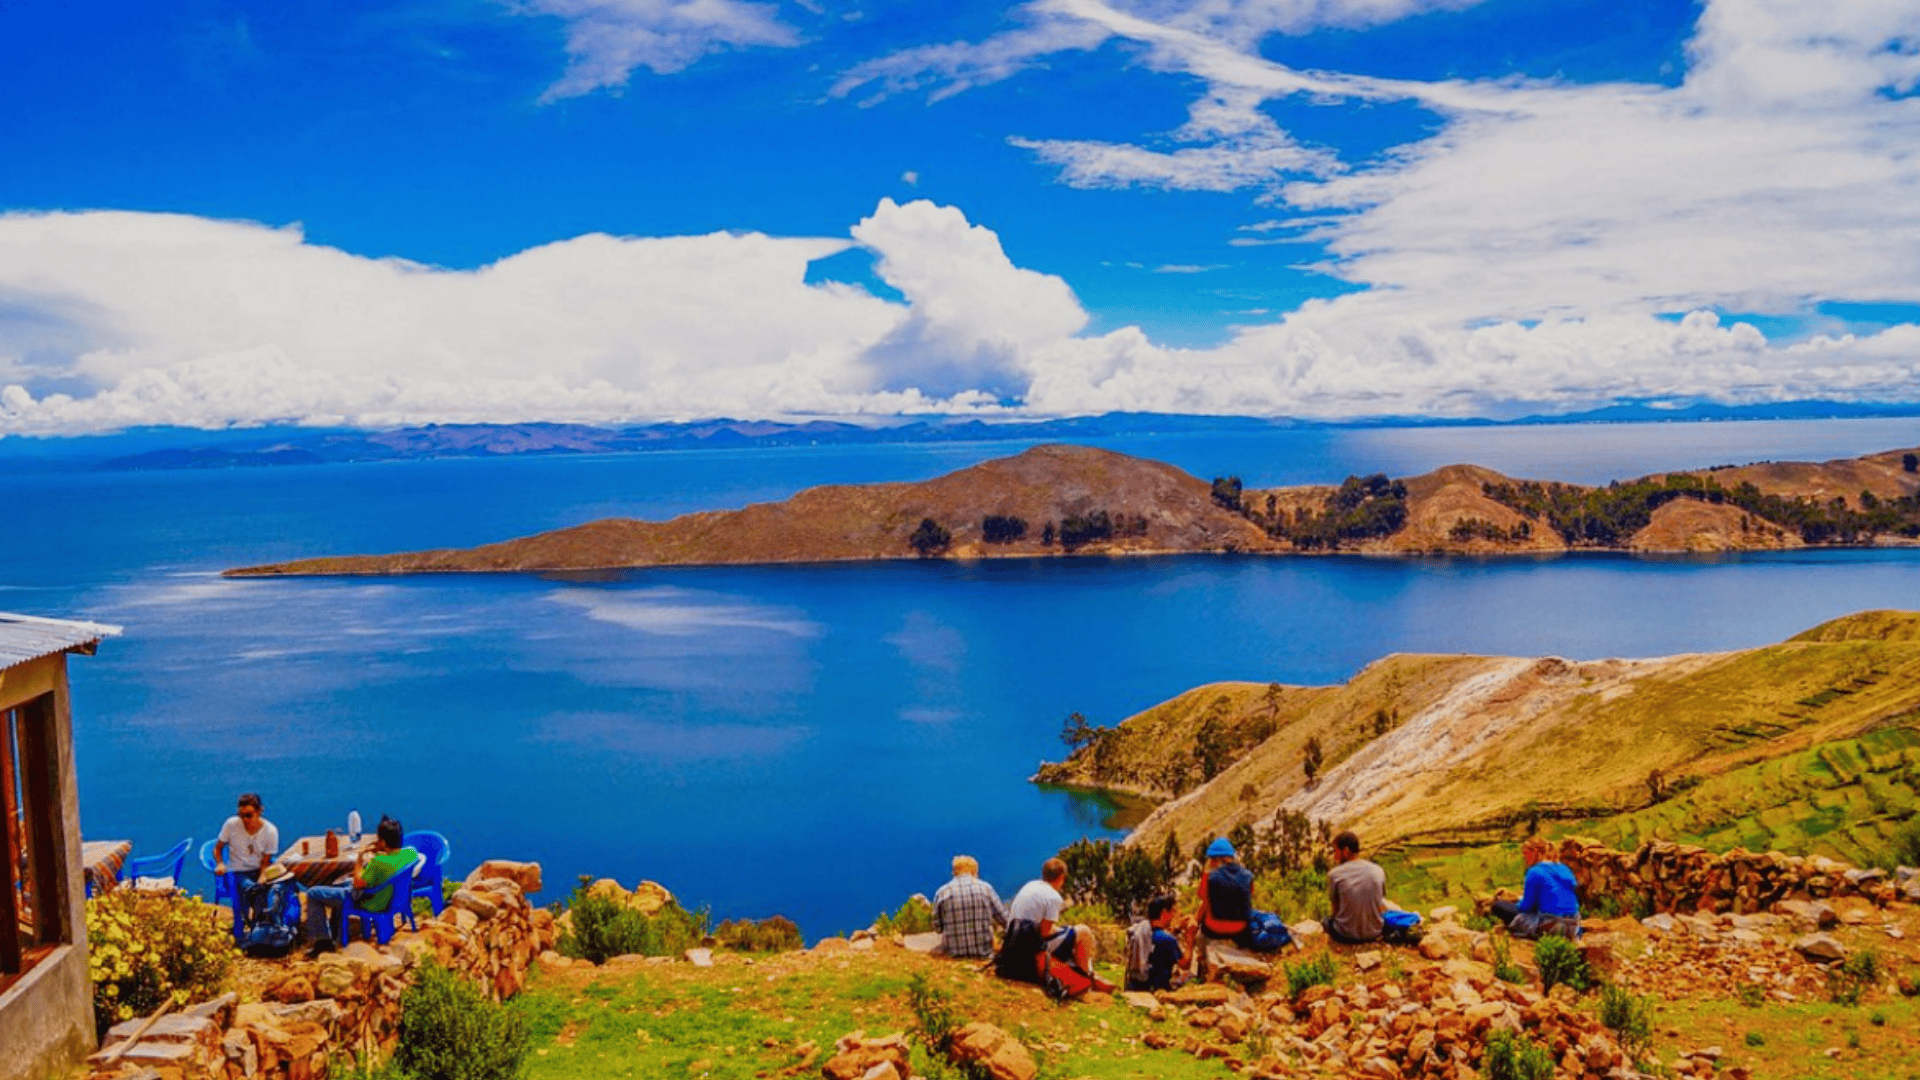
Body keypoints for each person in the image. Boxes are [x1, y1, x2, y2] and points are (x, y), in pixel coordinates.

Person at [304, 815, 418, 957]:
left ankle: (322, 942)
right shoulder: (410, 853)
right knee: (338, 884)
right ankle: (336, 933)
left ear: (382, 842)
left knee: (313, 893)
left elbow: (358, 884)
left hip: (369, 901)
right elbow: (391, 864)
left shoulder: (379, 862)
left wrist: (360, 857)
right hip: (394, 899)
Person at [1003, 857, 1109, 989]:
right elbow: (1044, 933)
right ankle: (1086, 975)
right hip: (1031, 950)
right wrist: (1063, 930)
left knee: (1069, 933)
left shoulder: (1030, 885)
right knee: (1084, 932)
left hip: (1012, 944)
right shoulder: (1053, 897)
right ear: (1061, 878)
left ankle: (1084, 972)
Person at [1491, 837, 1582, 939]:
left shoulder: (1534, 871)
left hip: (1551, 924)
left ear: (1535, 852)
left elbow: (1526, 907)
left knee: (1498, 906)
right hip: (1573, 925)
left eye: (1525, 853)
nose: (1524, 857)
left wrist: (1516, 902)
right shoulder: (1564, 868)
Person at [933, 854, 1007, 959]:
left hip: (953, 955)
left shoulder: (942, 892)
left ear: (954, 872)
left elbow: (938, 927)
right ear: (974, 871)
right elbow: (1004, 920)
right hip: (984, 953)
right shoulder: (986, 889)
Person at [1325, 830, 1386, 945]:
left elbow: (1335, 910)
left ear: (1346, 851)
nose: (1334, 857)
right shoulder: (1378, 869)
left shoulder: (1335, 874)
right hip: (1375, 932)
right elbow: (1380, 904)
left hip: (1345, 935)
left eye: (1335, 851)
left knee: (1326, 921)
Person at [1196, 837, 1255, 944]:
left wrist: (1205, 873)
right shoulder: (1248, 875)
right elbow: (1249, 895)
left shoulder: (1209, 877)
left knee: (1206, 908)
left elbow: (1202, 898)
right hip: (1241, 929)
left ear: (1216, 859)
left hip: (1214, 929)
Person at [1125, 894, 1186, 991]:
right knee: (1188, 976)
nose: (1174, 915)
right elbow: (1185, 964)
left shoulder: (1140, 931)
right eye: (1173, 911)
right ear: (1165, 913)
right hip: (1157, 988)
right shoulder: (1168, 939)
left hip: (1135, 985)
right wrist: (1190, 936)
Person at [213, 793, 279, 882]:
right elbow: (218, 848)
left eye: (249, 815)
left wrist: (262, 876)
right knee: (249, 887)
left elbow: (266, 860)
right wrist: (220, 864)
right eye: (241, 815)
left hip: (259, 869)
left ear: (259, 811)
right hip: (238, 871)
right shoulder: (231, 824)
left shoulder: (271, 831)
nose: (245, 819)